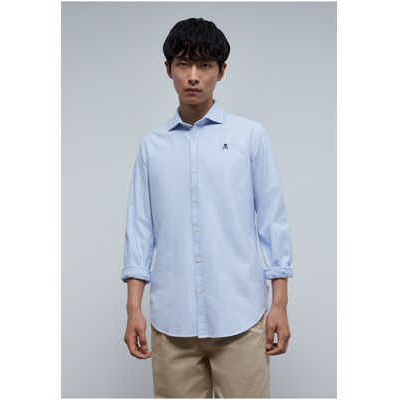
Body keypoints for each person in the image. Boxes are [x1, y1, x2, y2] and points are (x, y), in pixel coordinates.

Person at [121, 17, 294, 398]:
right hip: (173, 321)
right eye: (183, 64)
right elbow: (140, 228)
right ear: (168, 69)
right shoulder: (152, 146)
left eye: (205, 65)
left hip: (240, 316)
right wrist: (134, 307)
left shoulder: (250, 137)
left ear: (222, 71)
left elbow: (272, 221)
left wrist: (279, 304)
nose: (193, 77)